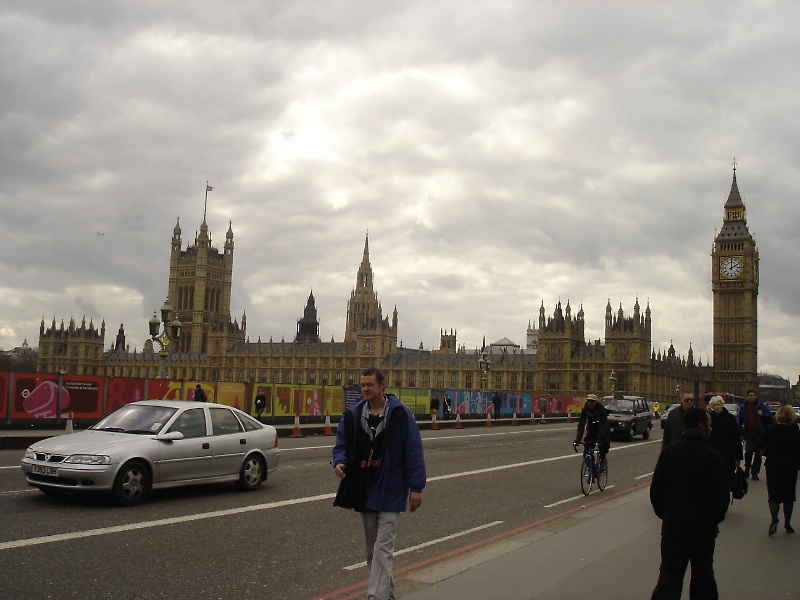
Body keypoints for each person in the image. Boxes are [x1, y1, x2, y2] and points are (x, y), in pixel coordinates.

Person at [332, 368, 426, 600]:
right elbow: (340, 446)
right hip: (364, 488)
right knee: (373, 552)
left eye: (369, 385)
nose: (364, 389)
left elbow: (414, 451)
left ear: (383, 385)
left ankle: (375, 597)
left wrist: (416, 488)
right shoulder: (352, 416)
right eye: (362, 385)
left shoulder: (401, 415)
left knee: (383, 549)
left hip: (391, 488)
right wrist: (339, 463)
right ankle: (389, 594)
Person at [650, 407, 730, 600]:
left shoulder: (669, 452)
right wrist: (713, 520)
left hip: (673, 527)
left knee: (670, 575)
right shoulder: (713, 457)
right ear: (702, 426)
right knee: (703, 576)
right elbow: (720, 498)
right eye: (709, 424)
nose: (711, 428)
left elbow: (656, 492)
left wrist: (668, 514)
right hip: (702, 530)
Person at [761, 404, 800, 535]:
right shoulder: (796, 432)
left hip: (773, 465)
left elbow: (761, 444)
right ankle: (787, 523)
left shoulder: (771, 429)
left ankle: (774, 518)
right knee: (789, 496)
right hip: (790, 467)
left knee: (773, 495)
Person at [708, 395, 743, 488]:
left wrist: (739, 456)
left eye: (718, 405)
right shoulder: (708, 419)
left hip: (728, 453)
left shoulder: (730, 418)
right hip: (713, 452)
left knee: (727, 479)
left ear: (722, 405)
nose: (716, 407)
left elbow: (736, 436)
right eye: (714, 405)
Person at [737, 389, 772, 480]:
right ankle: (747, 469)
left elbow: (769, 415)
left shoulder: (761, 406)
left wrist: (762, 414)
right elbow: (739, 420)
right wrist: (740, 432)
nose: (752, 397)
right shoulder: (743, 407)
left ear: (756, 396)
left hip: (759, 433)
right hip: (749, 433)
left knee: (758, 454)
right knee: (748, 453)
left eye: (753, 395)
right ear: (747, 396)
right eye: (750, 395)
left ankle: (755, 472)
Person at [573, 394, 610, 465]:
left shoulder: (601, 409)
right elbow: (581, 424)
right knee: (587, 449)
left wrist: (600, 438)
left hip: (602, 428)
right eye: (589, 401)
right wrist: (578, 439)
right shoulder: (585, 409)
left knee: (604, 446)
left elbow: (603, 425)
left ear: (596, 402)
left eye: (592, 401)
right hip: (592, 429)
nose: (590, 403)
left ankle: (602, 460)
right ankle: (590, 465)